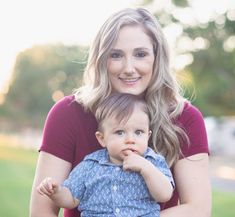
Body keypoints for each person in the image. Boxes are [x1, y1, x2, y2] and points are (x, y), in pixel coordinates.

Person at [30, 7, 211, 217]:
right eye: (116, 55)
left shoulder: (184, 118)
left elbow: (198, 210)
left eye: (141, 54)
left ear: (156, 57)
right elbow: (42, 211)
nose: (128, 68)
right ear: (101, 59)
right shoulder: (67, 114)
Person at [37, 93, 174, 217]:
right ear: (102, 138)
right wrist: (56, 192)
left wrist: (146, 168)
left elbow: (164, 194)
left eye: (138, 132)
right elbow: (71, 198)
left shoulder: (153, 161)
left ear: (147, 136)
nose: (130, 139)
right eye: (120, 132)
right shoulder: (90, 165)